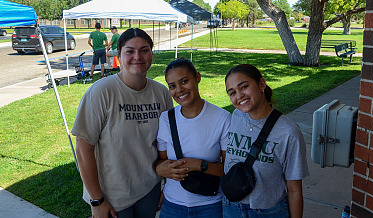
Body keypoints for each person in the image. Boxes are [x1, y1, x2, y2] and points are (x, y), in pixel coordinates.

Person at [72, 28, 173, 218]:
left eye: (144, 50)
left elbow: (165, 144)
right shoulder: (101, 91)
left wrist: (166, 186)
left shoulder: (162, 93)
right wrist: (97, 200)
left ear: (152, 54)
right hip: (111, 197)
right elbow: (83, 148)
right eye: (130, 51)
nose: (138, 56)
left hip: (149, 189)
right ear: (119, 55)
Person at [223, 64, 309, 218]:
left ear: (261, 84)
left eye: (244, 87)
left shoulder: (288, 132)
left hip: (269, 211)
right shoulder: (235, 117)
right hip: (231, 207)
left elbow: (294, 189)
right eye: (232, 93)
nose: (239, 96)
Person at [156, 58, 231, 218]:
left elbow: (228, 168)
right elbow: (162, 161)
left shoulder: (222, 118)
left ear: (197, 77)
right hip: (173, 205)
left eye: (184, 81)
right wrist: (159, 168)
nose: (179, 90)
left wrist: (199, 165)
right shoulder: (166, 119)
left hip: (210, 206)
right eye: (172, 86)